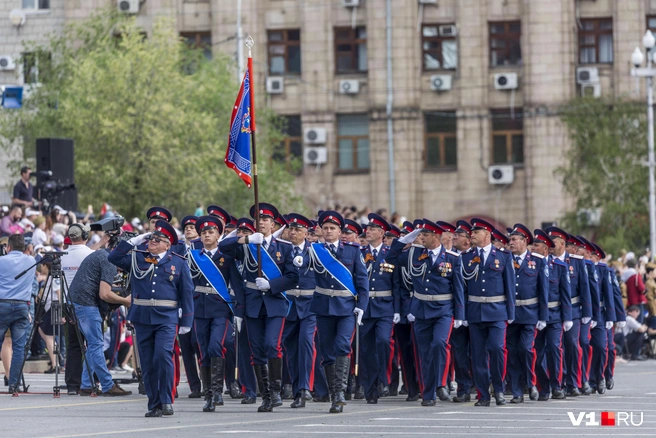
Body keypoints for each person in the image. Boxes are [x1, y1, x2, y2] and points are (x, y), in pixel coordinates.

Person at [108, 220, 194, 417]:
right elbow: (114, 257)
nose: (152, 241)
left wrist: (187, 321)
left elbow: (186, 292)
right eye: (151, 238)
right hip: (142, 317)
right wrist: (133, 241)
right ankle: (153, 404)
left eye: (158, 239)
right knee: (147, 363)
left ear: (168, 244)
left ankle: (166, 401)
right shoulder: (137, 258)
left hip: (167, 318)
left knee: (163, 357)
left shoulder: (178, 262)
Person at [219, 203, 298, 412]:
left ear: (273, 224)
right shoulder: (247, 246)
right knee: (257, 352)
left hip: (275, 303)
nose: (261, 223)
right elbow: (222, 247)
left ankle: (275, 391)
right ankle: (265, 396)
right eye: (258, 220)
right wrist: (245, 238)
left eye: (266, 220)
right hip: (253, 305)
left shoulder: (284, 247)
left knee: (273, 345)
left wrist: (272, 285)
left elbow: (293, 277)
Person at [386, 220, 464, 406]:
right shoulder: (414, 254)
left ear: (436, 236)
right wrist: (404, 240)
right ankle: (428, 394)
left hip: (444, 309)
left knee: (439, 344)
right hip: (421, 309)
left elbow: (458, 288)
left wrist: (460, 315)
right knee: (424, 353)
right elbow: (390, 258)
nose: (421, 238)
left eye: (425, 235)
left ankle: (441, 383)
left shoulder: (452, 258)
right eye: (421, 235)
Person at [307, 210, 369, 414]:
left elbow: (362, 280)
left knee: (342, 345)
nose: (328, 231)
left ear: (339, 231)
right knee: (326, 351)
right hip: (324, 306)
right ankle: (334, 393)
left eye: (332, 228)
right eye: (325, 228)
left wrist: (362, 306)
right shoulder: (315, 250)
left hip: (345, 307)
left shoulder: (352, 250)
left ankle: (340, 392)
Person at [68, 231, 132, 397]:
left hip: (80, 302)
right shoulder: (110, 261)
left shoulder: (102, 254)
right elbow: (104, 294)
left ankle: (87, 385)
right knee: (96, 344)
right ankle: (107, 384)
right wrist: (125, 301)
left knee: (92, 345)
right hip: (86, 304)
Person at [189, 215, 242, 412]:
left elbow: (236, 282)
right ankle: (209, 394)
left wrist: (241, 310)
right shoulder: (193, 256)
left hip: (221, 308)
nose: (207, 235)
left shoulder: (226, 257)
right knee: (203, 352)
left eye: (211, 232)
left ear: (219, 235)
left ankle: (218, 391)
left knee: (215, 346)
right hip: (199, 308)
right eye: (203, 232)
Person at [460, 218, 515, 407]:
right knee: (478, 355)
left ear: (487, 235)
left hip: (497, 311)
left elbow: (509, 286)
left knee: (497, 349)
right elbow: (463, 288)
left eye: (476, 232)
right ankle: (483, 394)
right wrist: (463, 314)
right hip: (475, 312)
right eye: (471, 232)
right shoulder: (466, 257)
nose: (471, 235)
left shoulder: (503, 256)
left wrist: (511, 312)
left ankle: (499, 389)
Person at [358, 214, 401, 404]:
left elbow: (397, 284)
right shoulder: (359, 252)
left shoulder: (389, 253)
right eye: (368, 228)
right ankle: (371, 389)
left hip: (385, 306)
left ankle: (384, 377)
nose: (368, 231)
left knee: (383, 341)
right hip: (365, 308)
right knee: (366, 349)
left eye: (373, 229)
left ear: (382, 233)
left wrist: (397, 309)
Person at [547, 227, 591, 398]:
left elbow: (585, 288)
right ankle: (559, 381)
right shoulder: (545, 261)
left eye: (554, 242)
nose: (550, 245)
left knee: (572, 345)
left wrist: (587, 312)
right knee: (555, 348)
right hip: (553, 310)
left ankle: (573, 382)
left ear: (563, 244)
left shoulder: (576, 262)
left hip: (573, 310)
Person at [505, 224, 548, 403]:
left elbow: (543, 290)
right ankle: (516, 391)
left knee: (526, 349)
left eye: (514, 240)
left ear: (524, 241)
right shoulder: (505, 259)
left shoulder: (537, 261)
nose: (511, 243)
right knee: (512, 353)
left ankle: (531, 383)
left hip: (530, 314)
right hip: (511, 314)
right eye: (510, 240)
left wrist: (543, 316)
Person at [281, 213, 317, 408]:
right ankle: (296, 391)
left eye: (297, 230)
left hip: (310, 305)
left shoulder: (315, 251)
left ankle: (305, 387)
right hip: (288, 305)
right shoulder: (282, 250)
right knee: (291, 349)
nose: (293, 233)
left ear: (306, 233)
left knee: (305, 342)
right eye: (291, 229)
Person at [0, 234, 37, 394]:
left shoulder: (1, 261)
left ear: (8, 247)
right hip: (23, 306)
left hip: (3, 304)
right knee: (19, 348)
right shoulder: (31, 261)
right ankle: (14, 385)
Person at [61, 223, 94, 394]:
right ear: (85, 236)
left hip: (68, 304)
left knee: (73, 345)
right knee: (93, 343)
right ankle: (91, 381)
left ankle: (72, 386)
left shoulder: (62, 255)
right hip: (88, 304)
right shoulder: (91, 254)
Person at [178, 215, 203, 399]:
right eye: (186, 227)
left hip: (199, 302)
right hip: (181, 302)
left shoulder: (204, 249)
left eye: (192, 226)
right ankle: (195, 386)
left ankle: (208, 381)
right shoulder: (178, 248)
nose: (188, 229)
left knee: (199, 343)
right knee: (185, 346)